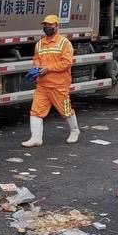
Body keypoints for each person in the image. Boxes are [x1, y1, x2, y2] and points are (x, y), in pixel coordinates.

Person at [22, 14, 80, 147]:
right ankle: (36, 138)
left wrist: (47, 68)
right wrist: (37, 68)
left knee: (65, 111)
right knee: (36, 111)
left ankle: (75, 131)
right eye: (45, 25)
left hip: (59, 85)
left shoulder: (64, 43)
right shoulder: (39, 44)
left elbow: (66, 63)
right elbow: (37, 58)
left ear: (57, 26)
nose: (47, 28)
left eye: (50, 25)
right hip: (42, 85)